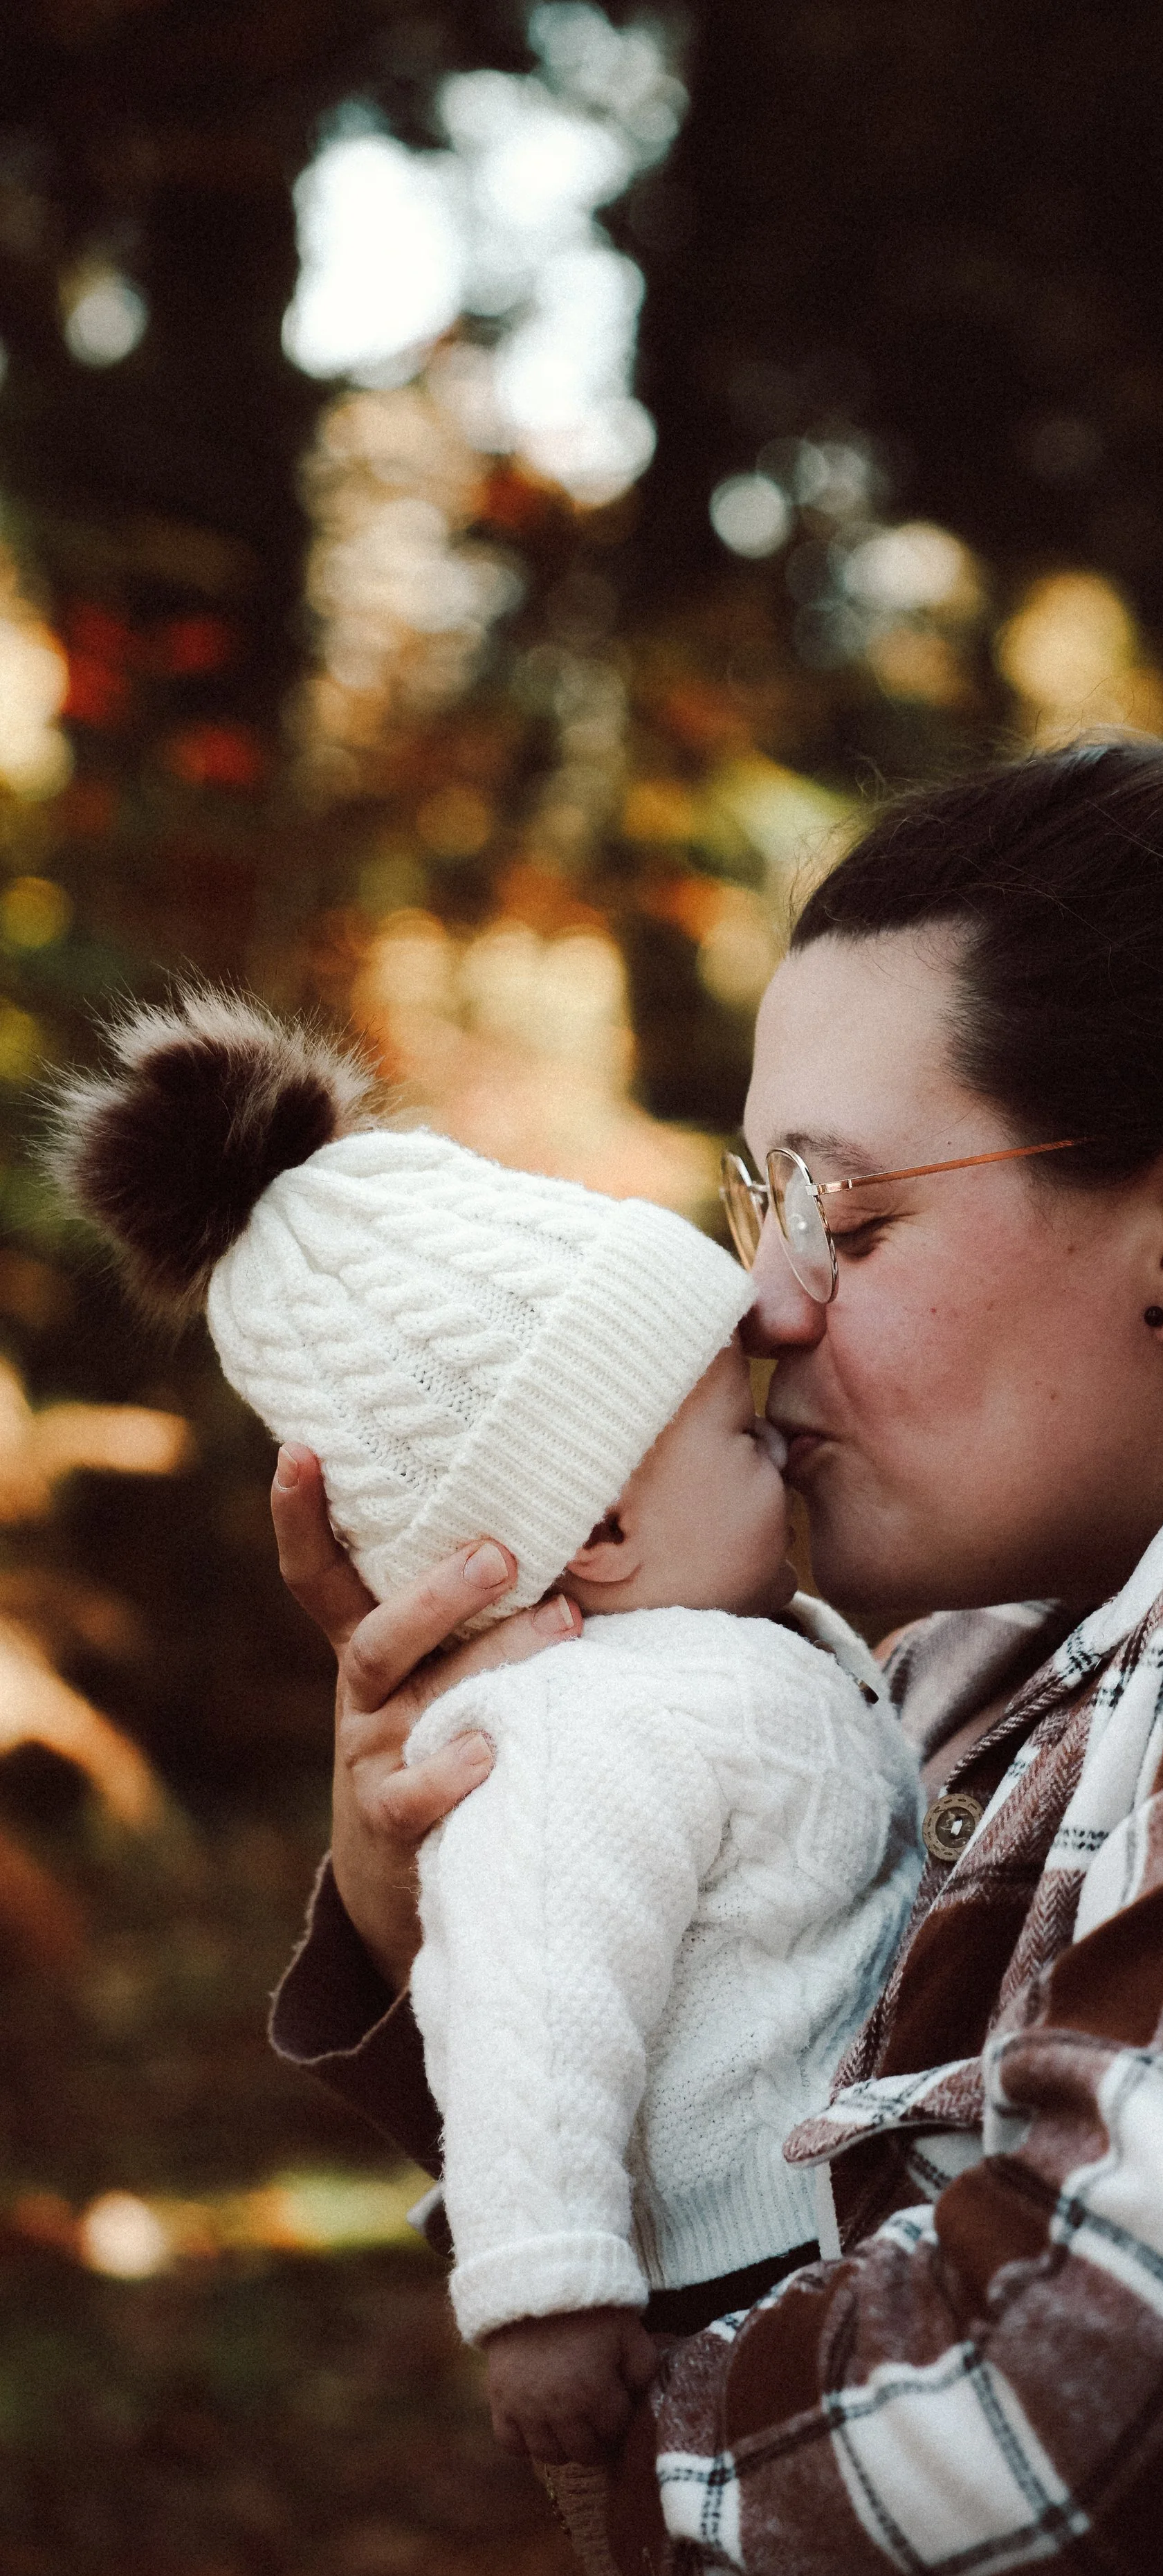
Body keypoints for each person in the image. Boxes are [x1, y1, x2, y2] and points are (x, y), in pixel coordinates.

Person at [268, 741, 1163, 2576]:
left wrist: (615, 2445)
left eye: (849, 1211)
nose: (765, 1299)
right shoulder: (980, 1654)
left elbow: (1101, 2443)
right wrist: (476, 1887)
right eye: (760, 1201)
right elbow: (795, 2235)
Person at [46, 996, 921, 2476]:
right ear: (595, 1532)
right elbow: (526, 1999)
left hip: (849, 2222)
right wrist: (544, 2288)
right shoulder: (579, 1727)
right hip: (747, 2268)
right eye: (739, 1434)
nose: (777, 1438)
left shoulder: (721, 1655)